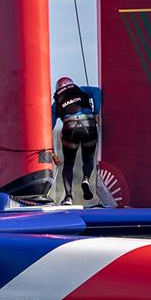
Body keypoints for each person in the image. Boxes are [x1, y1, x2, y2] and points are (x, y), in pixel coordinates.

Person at [51, 77, 102, 205]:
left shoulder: (56, 103)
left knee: (68, 164)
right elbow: (97, 91)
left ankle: (68, 196)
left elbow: (49, 127)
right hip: (88, 124)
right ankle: (85, 179)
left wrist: (51, 151)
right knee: (88, 158)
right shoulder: (80, 90)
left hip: (70, 127)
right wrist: (96, 112)